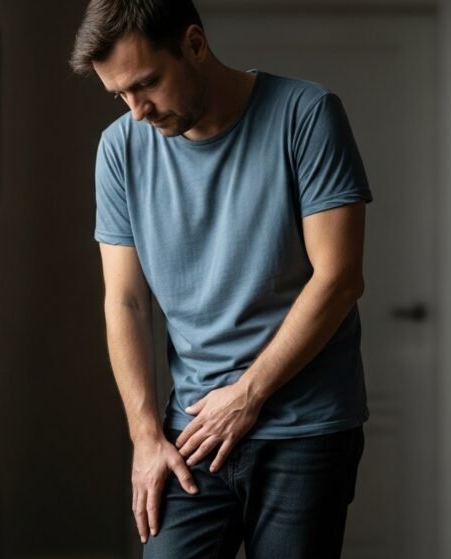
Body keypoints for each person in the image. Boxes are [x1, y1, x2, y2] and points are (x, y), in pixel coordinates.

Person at [69, 1, 372, 556]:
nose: (137, 111)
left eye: (147, 84)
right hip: (192, 430)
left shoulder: (306, 114)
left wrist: (248, 393)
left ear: (194, 45)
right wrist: (145, 436)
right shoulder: (119, 149)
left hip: (304, 426)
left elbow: (339, 278)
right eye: (120, 95)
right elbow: (126, 301)